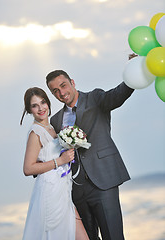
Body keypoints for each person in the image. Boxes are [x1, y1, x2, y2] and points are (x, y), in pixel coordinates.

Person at [46, 70, 135, 240]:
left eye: (63, 86)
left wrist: (134, 74)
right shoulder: (55, 120)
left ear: (72, 82)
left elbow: (118, 95)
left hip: (103, 182)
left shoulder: (95, 98)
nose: (61, 93)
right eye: (55, 91)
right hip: (76, 190)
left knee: (113, 236)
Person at [20, 87, 89, 240]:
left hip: (62, 190)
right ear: (29, 109)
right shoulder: (35, 132)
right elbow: (28, 168)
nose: (41, 108)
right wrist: (60, 161)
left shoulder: (51, 128)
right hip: (49, 192)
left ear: (48, 102)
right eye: (34, 105)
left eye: (43, 102)